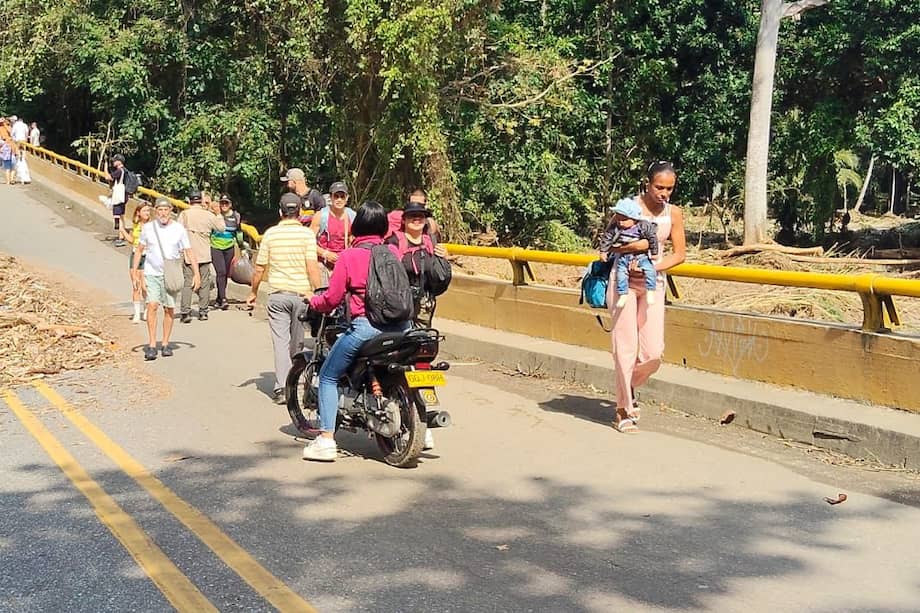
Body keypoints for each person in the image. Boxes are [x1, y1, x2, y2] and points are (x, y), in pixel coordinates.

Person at [303, 201, 412, 462]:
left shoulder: (349, 256)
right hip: (402, 327)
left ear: (357, 226)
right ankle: (421, 427)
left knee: (329, 376)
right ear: (384, 228)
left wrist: (312, 300)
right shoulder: (394, 254)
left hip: (367, 327)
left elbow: (331, 299)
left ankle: (327, 440)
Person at [607, 161, 685, 434]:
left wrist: (653, 266)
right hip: (623, 282)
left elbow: (679, 254)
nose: (664, 193)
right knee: (625, 346)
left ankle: (629, 383)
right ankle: (623, 410)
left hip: (653, 285)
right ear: (647, 183)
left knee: (653, 352)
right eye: (659, 187)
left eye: (669, 188)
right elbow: (610, 242)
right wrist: (639, 247)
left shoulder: (673, 213)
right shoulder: (628, 207)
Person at [385, 200, 450, 451]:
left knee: (421, 363)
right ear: (404, 219)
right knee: (398, 361)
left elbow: (438, 280)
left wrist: (442, 260)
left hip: (423, 309)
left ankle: (423, 419)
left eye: (421, 216)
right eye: (412, 216)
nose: (417, 220)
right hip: (398, 310)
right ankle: (405, 413)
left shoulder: (430, 244)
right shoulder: (394, 244)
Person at [247, 193, 322, 404]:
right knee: (297, 343)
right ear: (299, 212)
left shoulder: (270, 235)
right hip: (301, 296)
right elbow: (312, 266)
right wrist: (318, 292)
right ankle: (294, 380)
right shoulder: (307, 235)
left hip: (278, 295)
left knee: (281, 343)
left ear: (280, 212)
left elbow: (259, 268)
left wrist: (253, 292)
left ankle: (282, 388)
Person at [133, 197, 200, 361]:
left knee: (169, 308)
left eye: (166, 210)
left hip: (171, 274)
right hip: (151, 273)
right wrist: (135, 272)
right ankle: (151, 344)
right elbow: (139, 250)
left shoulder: (179, 229)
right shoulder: (148, 228)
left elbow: (189, 252)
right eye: (160, 210)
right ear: (156, 211)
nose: (163, 213)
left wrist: (196, 273)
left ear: (171, 211)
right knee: (152, 305)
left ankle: (165, 343)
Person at [599, 198, 660, 308]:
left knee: (650, 270)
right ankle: (623, 293)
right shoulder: (616, 228)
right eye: (618, 219)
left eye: (624, 219)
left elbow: (652, 238)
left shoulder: (643, 226)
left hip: (641, 256)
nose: (620, 222)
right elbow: (607, 238)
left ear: (634, 218)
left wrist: (654, 252)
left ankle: (651, 289)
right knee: (621, 274)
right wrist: (603, 251)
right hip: (624, 257)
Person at [177, 188, 225, 322]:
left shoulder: (184, 215)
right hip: (204, 253)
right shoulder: (209, 215)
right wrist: (218, 214)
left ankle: (185, 312)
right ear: (201, 200)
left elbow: (177, 232)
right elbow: (221, 228)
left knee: (188, 283)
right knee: (204, 283)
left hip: (188, 253)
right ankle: (203, 312)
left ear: (189, 200)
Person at [310, 181, 355, 283]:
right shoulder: (320, 216)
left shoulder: (352, 216)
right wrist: (325, 253)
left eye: (342, 196)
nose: (339, 200)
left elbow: (356, 242)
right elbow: (309, 242)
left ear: (347, 198)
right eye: (336, 196)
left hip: (344, 263)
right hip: (323, 263)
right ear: (331, 197)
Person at [210, 194, 243, 310]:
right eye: (222, 203)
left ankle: (219, 298)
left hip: (229, 247)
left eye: (226, 203)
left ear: (230, 204)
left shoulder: (236, 216)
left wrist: (242, 246)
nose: (224, 205)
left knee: (225, 274)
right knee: (221, 272)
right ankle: (224, 299)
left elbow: (239, 232)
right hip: (215, 246)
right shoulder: (214, 215)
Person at [129, 203, 153, 323]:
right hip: (135, 255)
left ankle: (147, 309)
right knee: (135, 285)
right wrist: (121, 229)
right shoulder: (136, 225)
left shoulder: (153, 226)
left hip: (147, 256)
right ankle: (137, 313)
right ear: (138, 212)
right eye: (144, 211)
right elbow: (131, 240)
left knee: (144, 286)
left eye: (148, 211)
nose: (147, 213)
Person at [102, 154, 129, 247]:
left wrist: (105, 166)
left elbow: (107, 177)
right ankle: (121, 236)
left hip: (118, 197)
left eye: (115, 160)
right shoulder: (125, 171)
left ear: (119, 162)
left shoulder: (119, 171)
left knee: (117, 218)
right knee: (121, 216)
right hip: (123, 196)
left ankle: (122, 237)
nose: (113, 162)